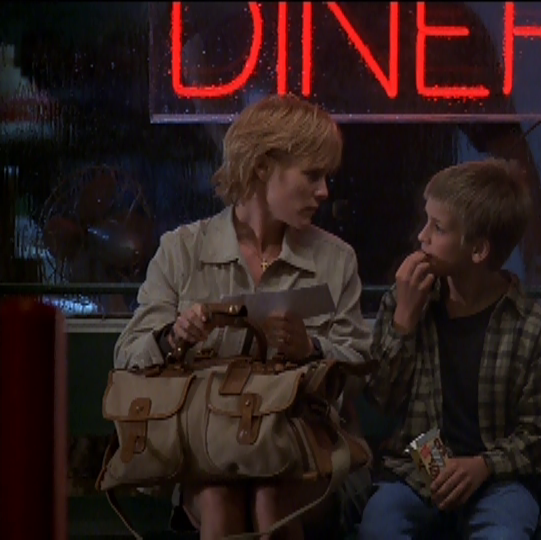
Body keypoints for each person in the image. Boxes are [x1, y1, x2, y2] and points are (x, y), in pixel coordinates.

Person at [114, 93, 371, 540]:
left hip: (303, 446)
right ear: (262, 167)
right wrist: (175, 337)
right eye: (312, 175)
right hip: (208, 446)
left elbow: (359, 370)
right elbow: (128, 357)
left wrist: (310, 349)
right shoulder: (183, 250)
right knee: (219, 496)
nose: (324, 192)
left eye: (326, 177)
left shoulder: (335, 260)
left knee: (272, 496)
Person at [358, 159, 541, 539]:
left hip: (498, 480)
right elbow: (381, 399)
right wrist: (403, 321)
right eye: (426, 222)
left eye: (437, 228)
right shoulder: (409, 299)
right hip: (418, 471)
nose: (422, 237)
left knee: (503, 534)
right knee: (380, 525)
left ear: (478, 250)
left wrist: (483, 466)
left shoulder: (531, 329)